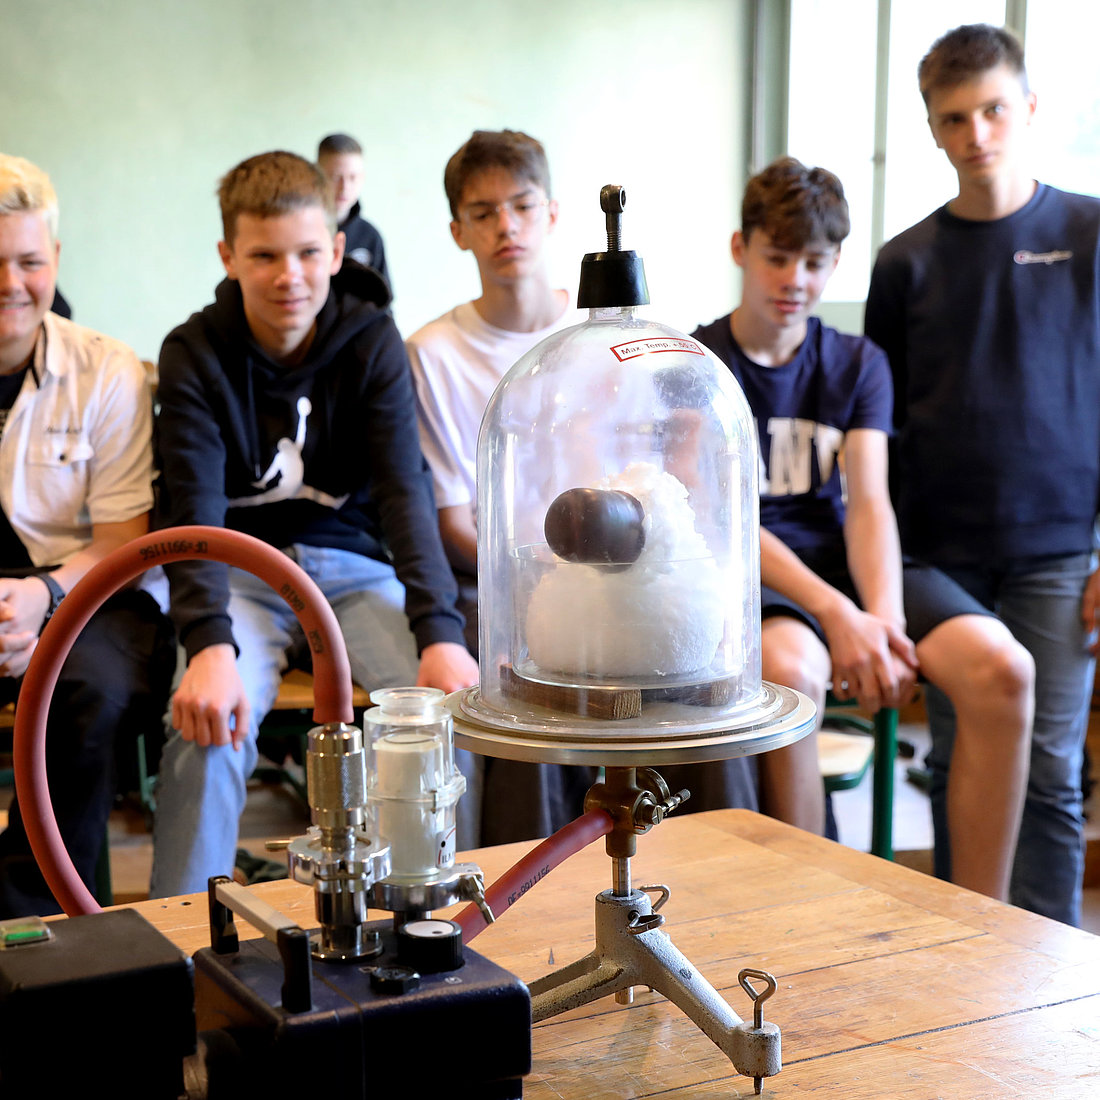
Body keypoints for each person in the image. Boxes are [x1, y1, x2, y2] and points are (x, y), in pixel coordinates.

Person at [694, 156, 1033, 901]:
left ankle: (982, 920)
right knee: (791, 673)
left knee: (1003, 669)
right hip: (754, 574)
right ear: (741, 248)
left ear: (835, 264)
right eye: (778, 257)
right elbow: (723, 525)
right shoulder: (700, 363)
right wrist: (838, 615)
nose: (795, 279)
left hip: (849, 563)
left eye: (815, 262)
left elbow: (870, 502)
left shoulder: (857, 361)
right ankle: (810, 913)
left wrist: (883, 622)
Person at [150, 151, 477, 897]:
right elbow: (191, 511)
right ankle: (181, 940)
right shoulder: (193, 352)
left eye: (305, 253)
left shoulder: (371, 340)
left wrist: (440, 633)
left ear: (335, 250)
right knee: (208, 723)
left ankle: (433, 914)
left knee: (441, 720)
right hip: (241, 574)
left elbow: (405, 492)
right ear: (228, 256)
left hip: (354, 572)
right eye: (263, 256)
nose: (288, 275)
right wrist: (209, 645)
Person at [864, 23, 1100, 926]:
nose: (977, 134)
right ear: (932, 129)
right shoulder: (905, 262)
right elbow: (877, 436)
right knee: (959, 763)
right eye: (955, 118)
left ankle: (1054, 973)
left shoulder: (1087, 234)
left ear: (1029, 108)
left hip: (1059, 553)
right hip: (939, 560)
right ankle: (967, 958)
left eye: (994, 110)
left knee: (1051, 775)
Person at [0, 154, 173, 915]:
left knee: (86, 693)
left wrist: (38, 597)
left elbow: (121, 540)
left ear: (56, 258)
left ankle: (38, 917)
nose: (11, 283)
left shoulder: (107, 370)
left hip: (91, 590)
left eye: (29, 262)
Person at [406, 129, 577, 655]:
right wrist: (542, 584)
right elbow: (453, 523)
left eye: (523, 206)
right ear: (458, 231)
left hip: (611, 571)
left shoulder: (602, 335)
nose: (506, 226)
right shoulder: (432, 353)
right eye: (483, 213)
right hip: (492, 586)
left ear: (551, 213)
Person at [317, 133, 391, 293]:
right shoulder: (300, 232)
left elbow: (383, 299)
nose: (344, 187)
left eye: (353, 177)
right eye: (335, 177)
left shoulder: (370, 236)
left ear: (362, 178)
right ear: (317, 176)